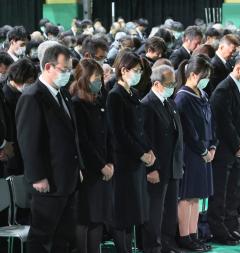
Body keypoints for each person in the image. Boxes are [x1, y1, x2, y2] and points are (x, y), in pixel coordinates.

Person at [16, 44, 82, 252]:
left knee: (64, 236)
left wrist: (77, 166)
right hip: (47, 182)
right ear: (48, 66)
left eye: (69, 70)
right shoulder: (32, 96)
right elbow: (29, 141)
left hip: (67, 178)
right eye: (64, 70)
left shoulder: (61, 94)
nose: (67, 74)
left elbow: (71, 136)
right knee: (42, 237)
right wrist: (37, 176)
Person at [106, 51, 154, 252]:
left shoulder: (132, 93)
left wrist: (148, 149)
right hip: (124, 161)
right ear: (123, 70)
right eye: (135, 71)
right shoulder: (115, 95)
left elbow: (139, 128)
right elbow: (119, 133)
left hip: (136, 161)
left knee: (134, 212)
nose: (138, 75)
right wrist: (140, 153)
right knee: (123, 213)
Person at [208, 55, 240, 245]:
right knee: (220, 193)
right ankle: (219, 230)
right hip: (224, 150)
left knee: (234, 191)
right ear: (238, 69)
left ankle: (232, 226)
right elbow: (223, 123)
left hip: (239, 149)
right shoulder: (222, 90)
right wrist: (238, 145)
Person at [70, 59, 114, 253]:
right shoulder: (76, 104)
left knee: (98, 217)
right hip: (88, 171)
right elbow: (83, 141)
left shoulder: (99, 101)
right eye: (97, 77)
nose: (100, 81)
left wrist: (111, 163)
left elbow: (108, 135)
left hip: (105, 168)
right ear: (85, 78)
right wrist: (100, 166)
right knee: (85, 218)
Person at [141, 65, 184, 253]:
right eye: (169, 83)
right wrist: (151, 168)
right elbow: (146, 140)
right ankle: (153, 247)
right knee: (155, 212)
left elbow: (177, 135)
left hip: (172, 166)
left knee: (169, 211)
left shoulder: (170, 103)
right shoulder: (147, 104)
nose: (173, 86)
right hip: (157, 168)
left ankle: (168, 244)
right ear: (157, 83)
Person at [174, 55, 215, 252]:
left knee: (197, 197)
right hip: (191, 153)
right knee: (186, 196)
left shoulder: (203, 94)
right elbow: (189, 131)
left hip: (205, 151)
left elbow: (210, 122)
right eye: (204, 76)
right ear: (192, 75)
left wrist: (213, 146)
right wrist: (203, 150)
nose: (206, 80)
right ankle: (185, 237)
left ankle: (194, 234)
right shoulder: (183, 97)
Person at [2, 58, 37, 176]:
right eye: (29, 81)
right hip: (13, 155)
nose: (31, 84)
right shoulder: (6, 97)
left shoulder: (23, 95)